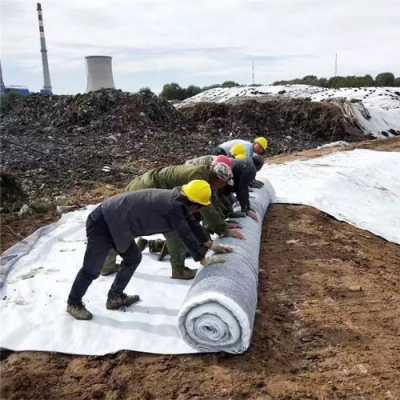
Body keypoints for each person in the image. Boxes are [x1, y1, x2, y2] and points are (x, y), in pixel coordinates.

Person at [67, 180, 231, 321]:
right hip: (103, 222)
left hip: (120, 225)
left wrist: (210, 244)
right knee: (92, 269)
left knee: (133, 258)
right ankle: (73, 303)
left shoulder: (179, 201)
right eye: (199, 207)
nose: (198, 211)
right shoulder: (173, 206)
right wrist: (203, 258)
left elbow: (192, 224)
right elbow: (185, 233)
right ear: (193, 203)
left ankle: (115, 297)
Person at [101, 161, 243, 280]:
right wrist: (221, 231)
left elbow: (197, 215)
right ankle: (179, 270)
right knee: (168, 229)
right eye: (224, 183)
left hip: (152, 189)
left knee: (135, 226)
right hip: (146, 188)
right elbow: (204, 212)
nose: (224, 186)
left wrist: (210, 243)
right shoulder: (199, 178)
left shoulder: (206, 177)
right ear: (218, 179)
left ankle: (110, 263)